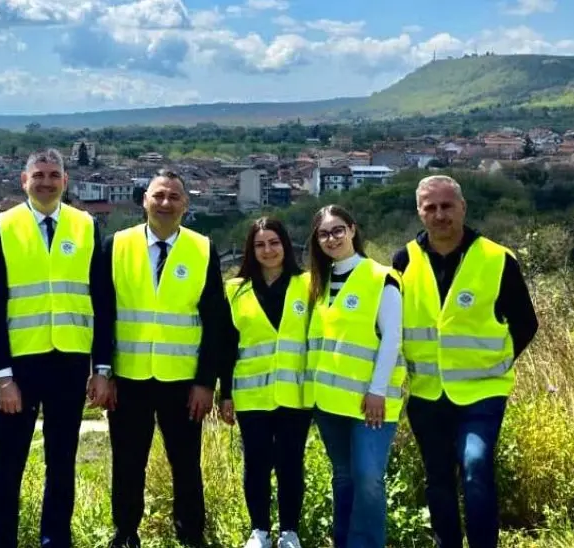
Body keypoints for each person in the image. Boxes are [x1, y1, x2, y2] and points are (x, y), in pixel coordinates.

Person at [393, 175, 538, 548]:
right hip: (427, 394)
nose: (439, 215)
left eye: (447, 206)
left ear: (463, 208)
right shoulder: (403, 260)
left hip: (482, 394)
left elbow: (525, 323)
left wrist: (499, 363)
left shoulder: (496, 258)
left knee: (475, 468)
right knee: (438, 478)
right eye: (431, 207)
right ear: (420, 212)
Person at [0, 149, 114, 548]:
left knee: (61, 461)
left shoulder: (86, 225)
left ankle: (56, 540)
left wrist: (101, 368)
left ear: (65, 181)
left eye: (53, 175)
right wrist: (2, 375)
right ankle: (0, 540)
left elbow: (102, 300)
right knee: (9, 462)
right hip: (19, 368)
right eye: (38, 175)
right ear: (24, 181)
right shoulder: (3, 226)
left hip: (70, 364)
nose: (46, 181)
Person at [96, 169, 232, 548]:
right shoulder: (115, 246)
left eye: (174, 196)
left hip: (182, 381)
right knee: (127, 462)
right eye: (158, 195)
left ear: (185, 204)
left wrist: (206, 382)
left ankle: (191, 535)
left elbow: (214, 321)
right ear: (144, 200)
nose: (165, 203)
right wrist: (103, 372)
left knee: (187, 465)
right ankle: (125, 533)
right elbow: (103, 314)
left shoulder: (202, 248)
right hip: (129, 378)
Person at [304, 205, 406, 548]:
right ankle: (344, 541)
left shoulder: (381, 277)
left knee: (369, 479)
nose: (331, 239)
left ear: (352, 229)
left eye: (337, 230)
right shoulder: (317, 282)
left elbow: (392, 338)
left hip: (371, 403)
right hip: (329, 402)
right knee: (344, 478)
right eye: (323, 234)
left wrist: (377, 390)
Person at [217, 217, 311, 548]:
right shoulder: (235, 290)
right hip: (251, 393)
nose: (268, 250)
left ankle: (289, 531)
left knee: (290, 463)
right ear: (250, 250)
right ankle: (259, 530)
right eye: (260, 244)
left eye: (274, 242)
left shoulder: (309, 285)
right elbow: (226, 347)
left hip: (295, 393)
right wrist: (225, 394)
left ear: (285, 245)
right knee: (256, 462)